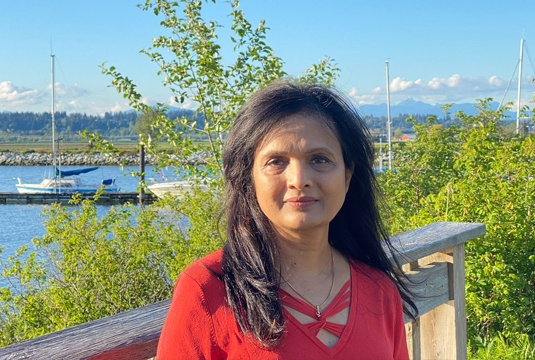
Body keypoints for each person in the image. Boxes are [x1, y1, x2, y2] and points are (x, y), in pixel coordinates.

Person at [156, 80, 417, 359]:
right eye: (277, 161)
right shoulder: (209, 289)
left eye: (319, 159)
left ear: (348, 174)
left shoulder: (380, 291)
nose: (299, 180)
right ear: (249, 177)